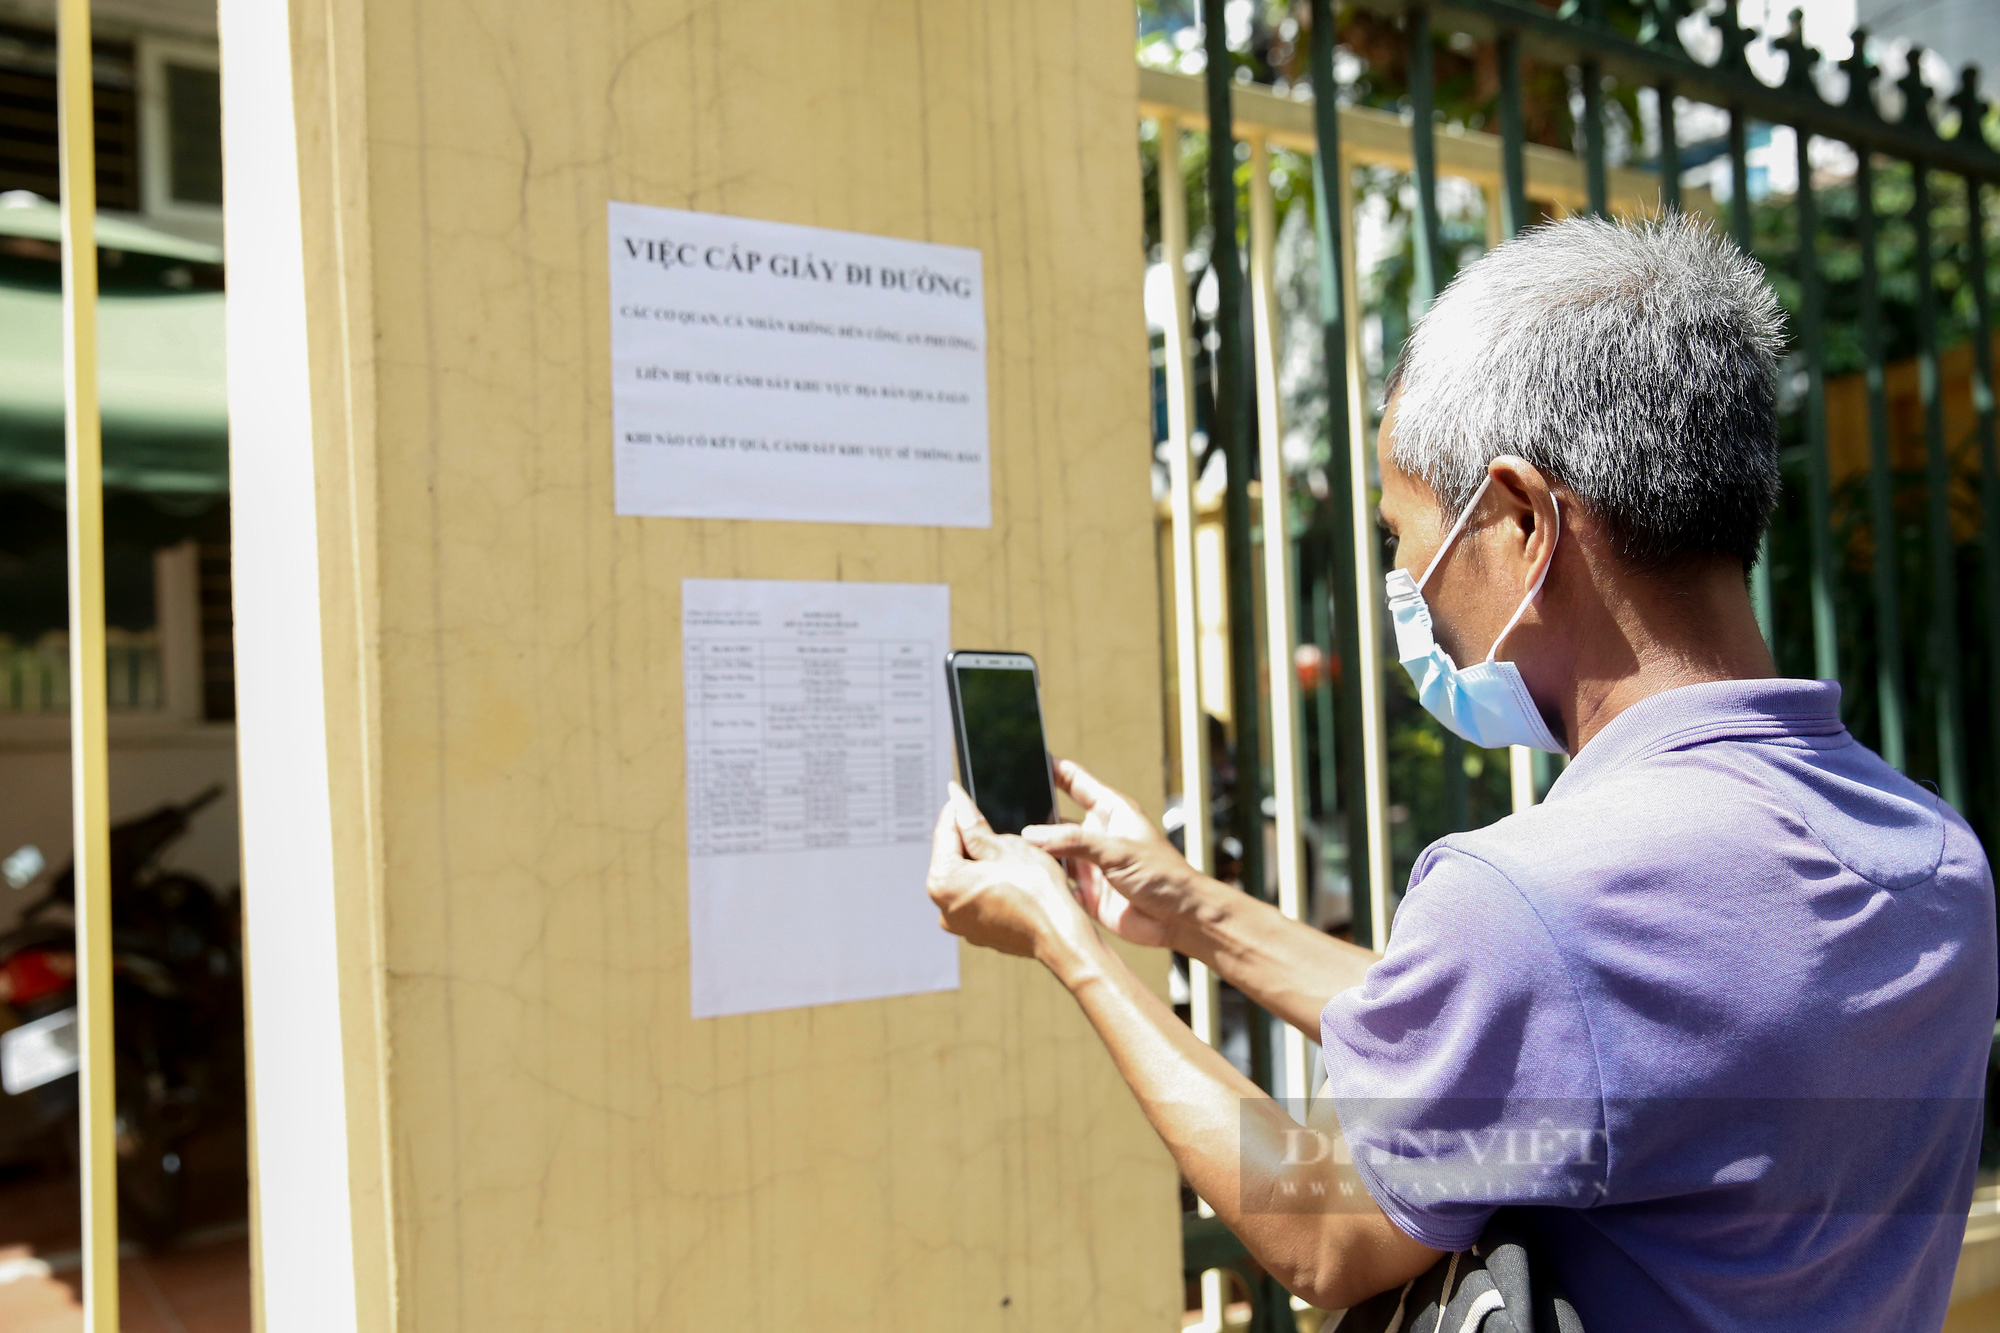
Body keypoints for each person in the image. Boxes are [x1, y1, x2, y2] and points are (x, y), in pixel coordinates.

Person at [926, 214, 1997, 1329]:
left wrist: (1069, 946)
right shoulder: (1932, 855)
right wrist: (1192, 910)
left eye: (1404, 537)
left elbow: (1319, 1231)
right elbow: (1551, 1046)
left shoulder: (1536, 899)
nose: (1406, 588)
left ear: (1520, 520)